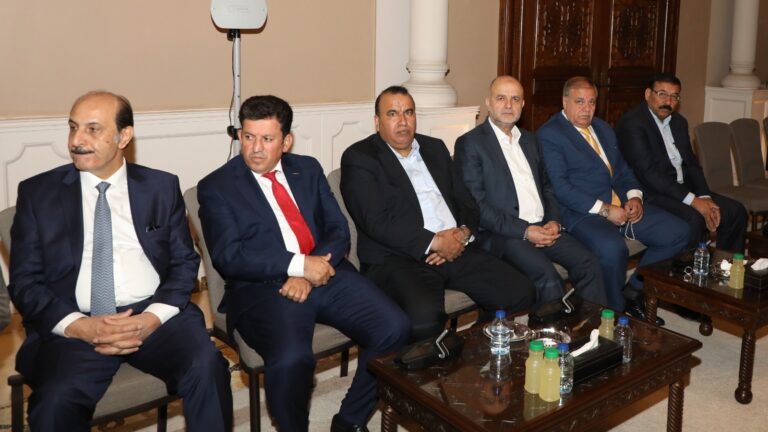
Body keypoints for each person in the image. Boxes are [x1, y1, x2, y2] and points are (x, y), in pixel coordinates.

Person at [8, 91, 233, 431]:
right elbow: (25, 282)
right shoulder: (38, 193)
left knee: (207, 367)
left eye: (93, 129)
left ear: (124, 136)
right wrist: (80, 326)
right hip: (76, 322)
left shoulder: (160, 186)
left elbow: (184, 263)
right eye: (73, 127)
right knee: (54, 403)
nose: (76, 140)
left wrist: (151, 318)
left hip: (153, 314)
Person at [197, 95, 409, 432]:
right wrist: (298, 266)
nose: (255, 148)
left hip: (326, 272)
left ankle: (349, 421)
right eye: (248, 137)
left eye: (267, 139)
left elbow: (338, 229)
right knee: (292, 359)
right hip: (263, 290)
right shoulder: (217, 187)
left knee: (395, 327)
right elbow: (229, 256)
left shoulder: (307, 169)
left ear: (286, 142)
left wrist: (309, 271)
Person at [340, 85, 535, 342]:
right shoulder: (360, 157)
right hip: (400, 259)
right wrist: (434, 242)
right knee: (425, 320)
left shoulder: (434, 148)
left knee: (520, 292)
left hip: (456, 247)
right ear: (377, 121)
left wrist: (462, 234)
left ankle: (474, 348)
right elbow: (376, 222)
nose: (403, 121)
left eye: (409, 112)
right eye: (392, 114)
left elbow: (466, 201)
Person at [536, 77, 689, 323]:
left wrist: (634, 196)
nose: (586, 108)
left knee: (678, 232)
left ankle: (634, 291)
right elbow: (561, 188)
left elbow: (623, 171)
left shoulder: (602, 128)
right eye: (579, 102)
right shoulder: (550, 134)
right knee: (612, 249)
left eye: (591, 102)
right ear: (564, 102)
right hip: (581, 213)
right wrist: (606, 210)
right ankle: (614, 315)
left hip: (622, 206)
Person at [454, 75, 606, 307]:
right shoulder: (471, 143)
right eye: (501, 98)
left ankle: (591, 325)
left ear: (523, 104)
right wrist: (525, 231)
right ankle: (551, 330)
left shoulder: (530, 140)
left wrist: (554, 221)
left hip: (544, 226)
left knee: (589, 263)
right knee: (548, 278)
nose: (508, 105)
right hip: (504, 234)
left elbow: (547, 187)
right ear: (488, 102)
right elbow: (477, 206)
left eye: (515, 99)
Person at [615, 73, 747, 253]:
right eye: (662, 94)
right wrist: (694, 201)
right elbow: (649, 174)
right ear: (647, 94)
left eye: (674, 96)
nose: (668, 101)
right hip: (654, 193)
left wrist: (705, 197)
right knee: (695, 219)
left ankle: (725, 265)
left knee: (735, 212)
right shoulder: (632, 124)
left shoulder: (679, 122)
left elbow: (692, 164)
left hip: (684, 189)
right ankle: (685, 268)